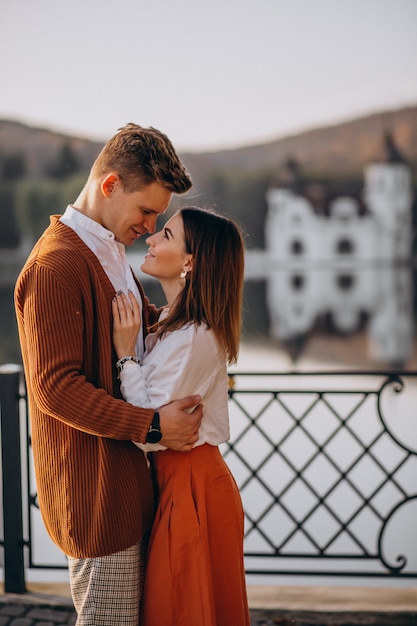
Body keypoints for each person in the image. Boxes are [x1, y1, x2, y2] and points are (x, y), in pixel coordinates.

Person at [14, 124, 203, 626]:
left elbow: (143, 350)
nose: (149, 225)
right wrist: (154, 426)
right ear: (109, 185)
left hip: (133, 491)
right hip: (99, 502)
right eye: (145, 211)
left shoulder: (110, 253)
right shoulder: (55, 266)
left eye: (158, 216)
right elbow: (55, 389)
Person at [112, 206, 251, 626]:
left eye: (167, 235)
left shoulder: (195, 337)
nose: (151, 238)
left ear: (190, 261)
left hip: (190, 486)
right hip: (182, 481)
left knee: (181, 609)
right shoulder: (176, 323)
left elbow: (147, 429)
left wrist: (124, 355)